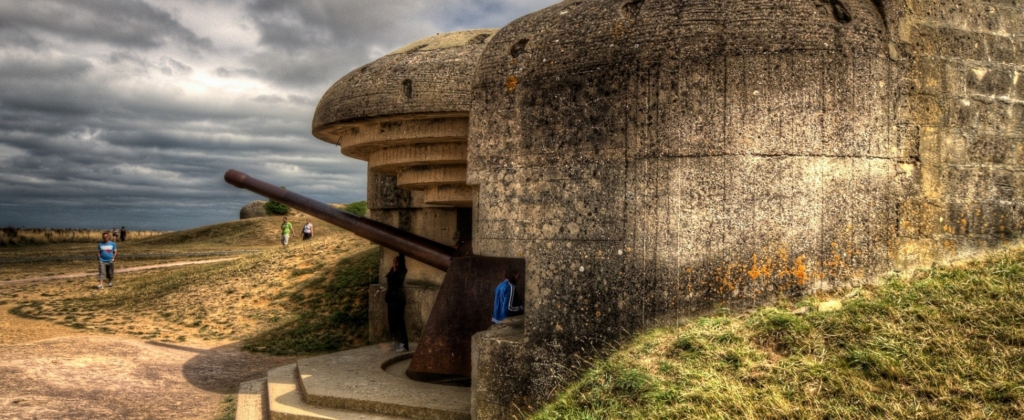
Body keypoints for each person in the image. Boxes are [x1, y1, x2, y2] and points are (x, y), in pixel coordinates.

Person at [385, 254, 409, 352]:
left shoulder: (401, 272)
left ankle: (403, 345)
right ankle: (395, 343)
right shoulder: (391, 272)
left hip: (398, 299)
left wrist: (401, 256)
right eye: (394, 261)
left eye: (397, 262)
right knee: (392, 322)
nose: (395, 263)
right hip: (391, 299)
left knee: (399, 322)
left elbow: (402, 264)